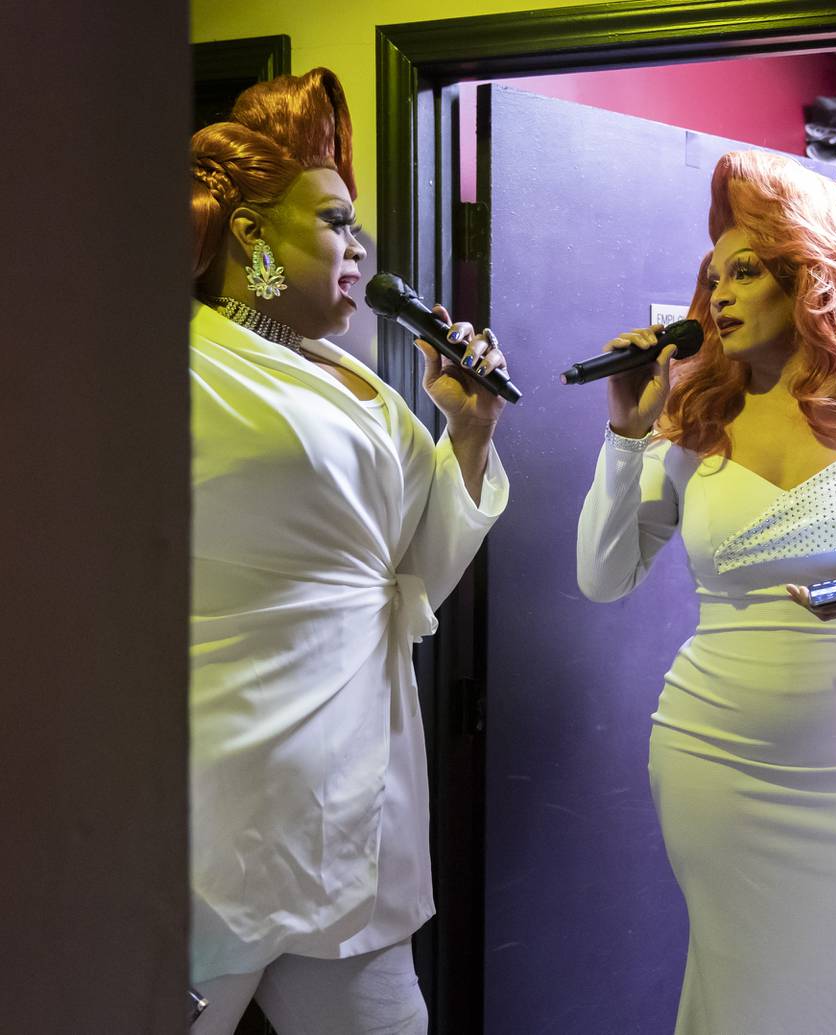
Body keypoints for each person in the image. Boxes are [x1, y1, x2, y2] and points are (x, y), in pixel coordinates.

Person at [576, 150, 836, 1034]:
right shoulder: (692, 421)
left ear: (812, 274)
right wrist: (625, 434)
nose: (718, 295)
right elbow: (604, 577)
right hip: (714, 758)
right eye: (713, 276)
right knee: (739, 982)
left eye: (746, 272)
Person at [188, 68, 509, 1033]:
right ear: (250, 234)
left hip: (358, 775)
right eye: (334, 222)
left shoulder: (353, 377)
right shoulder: (177, 360)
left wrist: (470, 428)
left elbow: (417, 576)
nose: (360, 251)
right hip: (230, 770)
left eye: (357, 226)